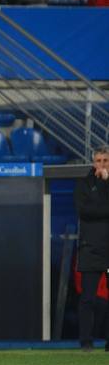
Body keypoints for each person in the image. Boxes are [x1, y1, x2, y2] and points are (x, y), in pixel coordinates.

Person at [73, 147, 109, 351]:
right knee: (87, 298)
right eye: (98, 160)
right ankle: (86, 341)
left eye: (105, 160)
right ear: (93, 162)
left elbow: (92, 210)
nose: (102, 164)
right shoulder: (84, 184)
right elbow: (83, 211)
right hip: (90, 249)